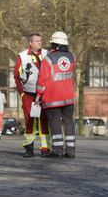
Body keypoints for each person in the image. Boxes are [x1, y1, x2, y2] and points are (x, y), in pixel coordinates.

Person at [36, 31, 76, 159]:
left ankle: (57, 150)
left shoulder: (48, 59)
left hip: (53, 97)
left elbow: (43, 79)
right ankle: (71, 150)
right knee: (68, 122)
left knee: (55, 123)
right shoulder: (72, 57)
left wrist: (38, 94)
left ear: (54, 43)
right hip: (68, 97)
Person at [14, 33, 50, 158]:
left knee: (44, 120)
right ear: (30, 43)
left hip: (45, 93)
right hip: (29, 94)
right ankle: (28, 147)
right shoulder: (22, 56)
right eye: (37, 41)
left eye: (41, 40)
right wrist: (22, 93)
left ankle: (45, 148)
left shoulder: (47, 54)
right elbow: (17, 76)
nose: (40, 43)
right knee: (29, 120)